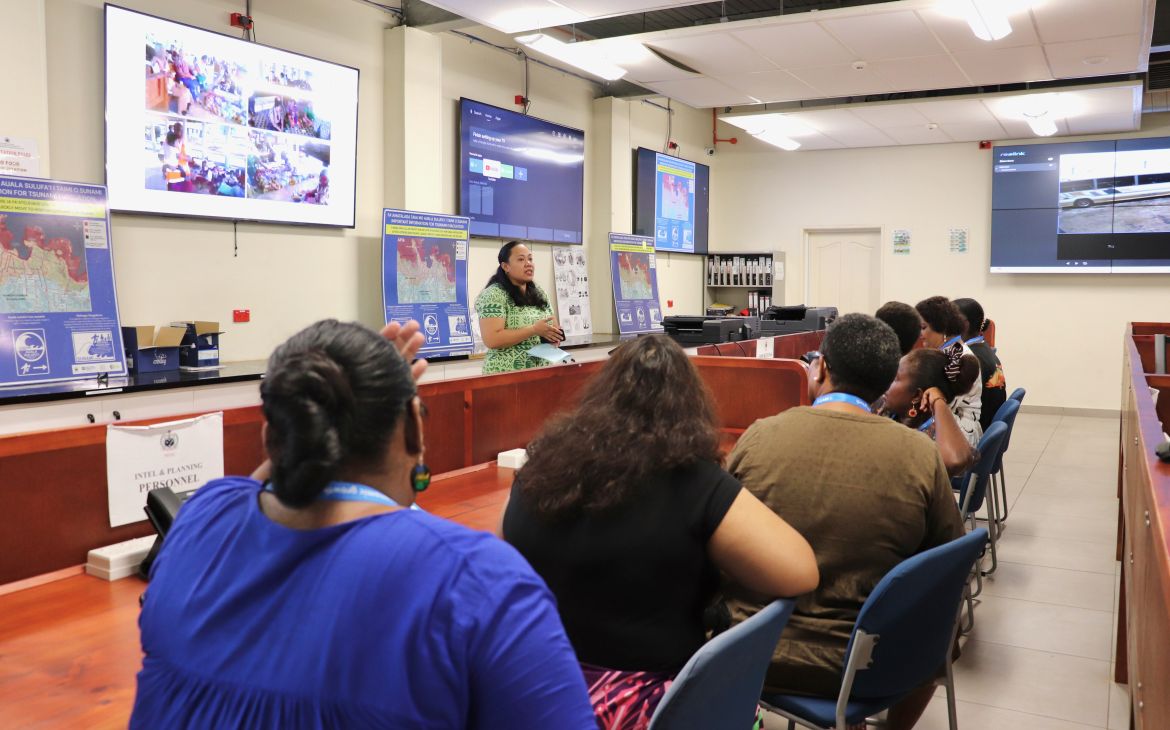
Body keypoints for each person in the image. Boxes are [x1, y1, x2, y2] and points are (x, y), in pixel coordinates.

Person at [131, 319, 598, 730]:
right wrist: (375, 398)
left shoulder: (201, 520)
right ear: (415, 429)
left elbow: (258, 485)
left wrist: (334, 402)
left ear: (271, 437)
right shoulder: (478, 581)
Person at [502, 334, 819, 729]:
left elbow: (508, 557)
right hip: (645, 705)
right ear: (691, 407)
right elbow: (800, 571)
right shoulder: (692, 481)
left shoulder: (536, 470)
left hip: (534, 691)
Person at [721, 313, 965, 730]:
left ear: (820, 367)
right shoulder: (918, 453)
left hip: (753, 652)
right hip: (872, 665)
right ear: (888, 382)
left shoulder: (761, 435)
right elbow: (947, 562)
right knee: (944, 623)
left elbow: (717, 541)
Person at [879, 347, 979, 476]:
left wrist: (938, 399)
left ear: (916, 396)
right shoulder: (891, 412)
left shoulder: (929, 439)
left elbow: (955, 460)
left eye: (895, 379)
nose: (887, 383)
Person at [475, 241, 563, 374]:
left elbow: (552, 323)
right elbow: (492, 339)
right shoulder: (494, 294)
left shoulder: (539, 292)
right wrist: (533, 329)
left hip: (541, 372)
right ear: (505, 266)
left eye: (530, 259)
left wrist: (553, 335)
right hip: (506, 374)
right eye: (521, 259)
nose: (528, 263)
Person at [916, 296, 982, 448]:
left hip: (959, 435)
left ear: (942, 328)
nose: (920, 334)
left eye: (924, 327)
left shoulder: (958, 358)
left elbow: (942, 405)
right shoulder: (950, 351)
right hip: (954, 425)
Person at [953, 298, 1007, 432]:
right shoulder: (983, 349)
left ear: (963, 324)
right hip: (987, 424)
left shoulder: (971, 359)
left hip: (976, 430)